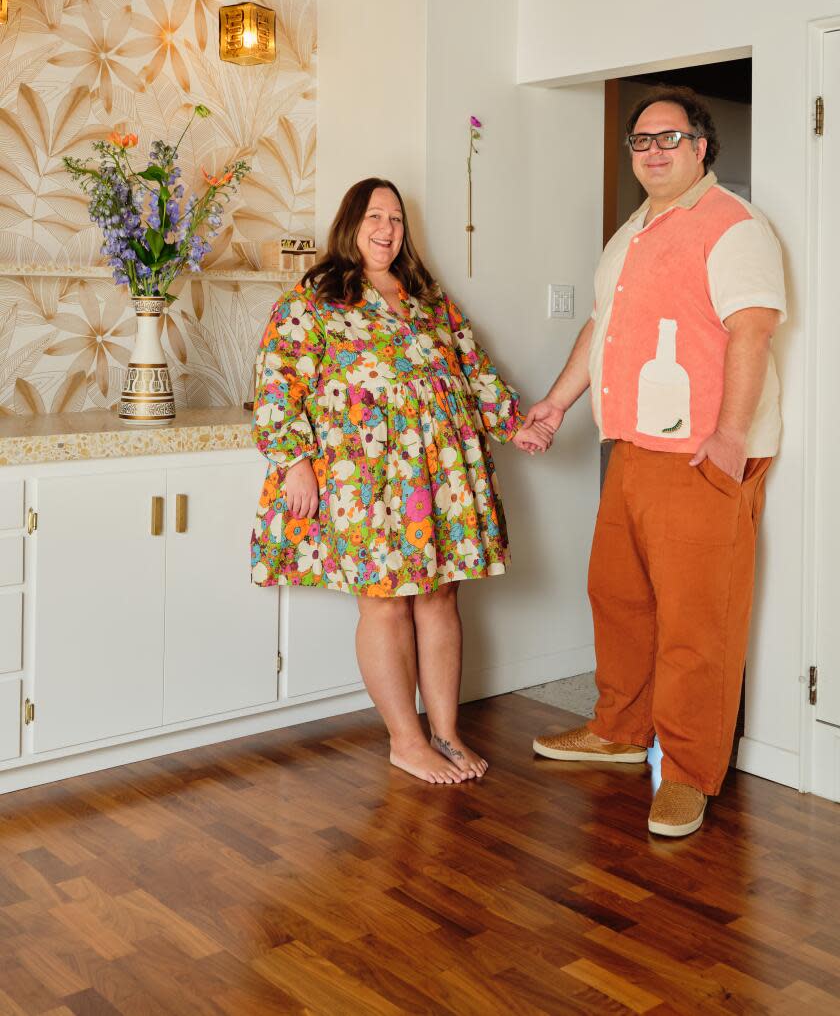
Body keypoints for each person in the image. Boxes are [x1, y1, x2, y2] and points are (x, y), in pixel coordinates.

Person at [521, 86, 786, 837]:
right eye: (640, 141)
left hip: (702, 455)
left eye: (669, 137)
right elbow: (604, 329)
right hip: (633, 447)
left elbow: (752, 331)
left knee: (697, 622)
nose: (653, 151)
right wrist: (557, 403)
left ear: (702, 147)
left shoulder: (733, 226)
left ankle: (693, 773)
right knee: (620, 599)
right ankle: (619, 730)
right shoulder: (634, 231)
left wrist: (730, 436)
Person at [251, 178, 548, 785]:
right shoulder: (314, 298)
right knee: (385, 603)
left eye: (395, 218)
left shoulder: (427, 297)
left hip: (441, 470)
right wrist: (295, 461)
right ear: (349, 224)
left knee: (441, 596)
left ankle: (445, 733)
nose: (386, 228)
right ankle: (404, 740)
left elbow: (472, 365)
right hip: (366, 475)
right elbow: (278, 385)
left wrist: (515, 424)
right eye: (373, 216)